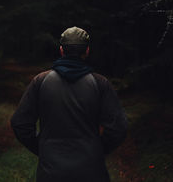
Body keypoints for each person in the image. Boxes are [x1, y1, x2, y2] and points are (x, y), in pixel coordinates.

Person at [11, 26, 128, 182]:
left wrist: (42, 149)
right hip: (91, 171)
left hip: (50, 172)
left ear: (61, 50)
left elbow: (20, 123)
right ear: (87, 51)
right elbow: (118, 127)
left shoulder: (40, 81)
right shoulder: (100, 83)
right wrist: (98, 150)